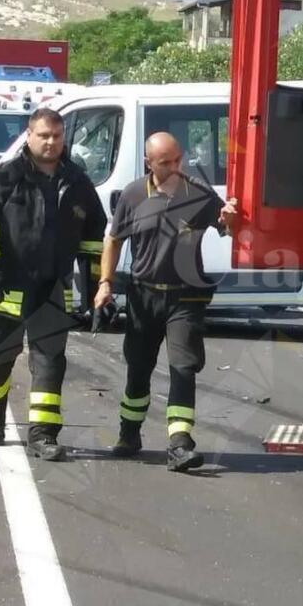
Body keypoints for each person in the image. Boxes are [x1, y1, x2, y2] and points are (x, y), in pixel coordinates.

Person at [0, 107, 107, 461]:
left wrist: (91, 287)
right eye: (44, 135)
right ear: (29, 136)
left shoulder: (77, 183)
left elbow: (93, 236)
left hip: (50, 289)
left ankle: (43, 436)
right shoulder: (4, 176)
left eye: (57, 136)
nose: (51, 142)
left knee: (49, 362)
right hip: (4, 286)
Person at [94, 132, 239, 470]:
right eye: (165, 163)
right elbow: (113, 241)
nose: (174, 167)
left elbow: (228, 227)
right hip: (143, 297)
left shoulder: (198, 194)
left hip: (185, 298)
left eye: (177, 160)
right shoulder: (132, 195)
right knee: (138, 370)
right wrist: (105, 283)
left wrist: (230, 220)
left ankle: (180, 444)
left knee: (183, 368)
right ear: (149, 164)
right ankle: (129, 434)